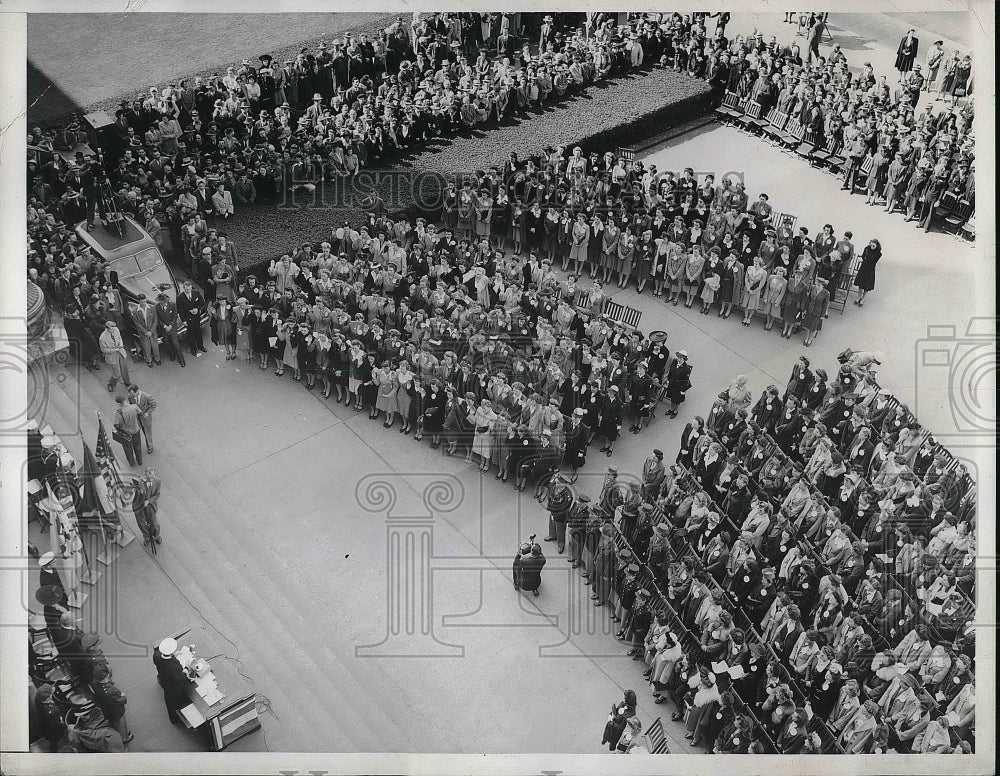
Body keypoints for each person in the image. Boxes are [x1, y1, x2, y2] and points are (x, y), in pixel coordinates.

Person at [152, 637, 188, 724]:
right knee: (174, 704)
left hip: (165, 681)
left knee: (170, 702)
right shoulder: (173, 667)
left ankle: (174, 717)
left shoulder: (156, 655)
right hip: (173, 689)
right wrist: (185, 672)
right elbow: (180, 680)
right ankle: (175, 719)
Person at [176, 279, 207, 357]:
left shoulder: (196, 293)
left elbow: (202, 302)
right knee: (191, 334)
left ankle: (200, 346)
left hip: (196, 317)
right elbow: (180, 310)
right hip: (188, 318)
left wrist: (197, 309)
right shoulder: (180, 297)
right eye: (186, 289)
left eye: (189, 289)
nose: (188, 291)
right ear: (183, 288)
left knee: (198, 332)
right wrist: (183, 320)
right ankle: (193, 349)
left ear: (191, 288)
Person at [154, 292, 186, 367]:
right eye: (163, 302)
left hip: (172, 327)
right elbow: (157, 319)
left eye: (165, 302)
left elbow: (175, 316)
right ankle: (172, 354)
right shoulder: (156, 307)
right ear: (159, 302)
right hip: (164, 328)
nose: (165, 304)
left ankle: (181, 359)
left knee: (175, 343)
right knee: (167, 342)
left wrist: (170, 326)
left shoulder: (172, 304)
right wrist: (165, 326)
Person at [98, 321, 131, 393]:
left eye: (114, 329)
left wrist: (121, 344)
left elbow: (119, 338)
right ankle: (111, 383)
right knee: (117, 374)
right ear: (107, 329)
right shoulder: (102, 338)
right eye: (111, 329)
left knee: (124, 368)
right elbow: (103, 349)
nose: (113, 331)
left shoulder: (116, 329)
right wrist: (115, 350)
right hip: (112, 356)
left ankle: (127, 382)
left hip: (120, 352)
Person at [130, 293, 160, 367]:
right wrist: (145, 332)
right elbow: (137, 324)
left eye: (144, 301)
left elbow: (155, 320)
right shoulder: (135, 311)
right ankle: (148, 360)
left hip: (152, 330)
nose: (143, 303)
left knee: (155, 346)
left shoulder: (152, 307)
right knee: (146, 347)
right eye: (142, 302)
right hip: (143, 332)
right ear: (139, 301)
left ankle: (157, 359)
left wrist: (152, 331)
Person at [113, 394, 143, 467]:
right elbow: (140, 413)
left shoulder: (118, 413)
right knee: (138, 447)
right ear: (125, 399)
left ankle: (131, 463)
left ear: (119, 403)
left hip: (126, 435)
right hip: (136, 430)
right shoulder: (134, 406)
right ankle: (139, 461)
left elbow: (116, 425)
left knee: (128, 450)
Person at [135, 466, 162, 546]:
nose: (150, 478)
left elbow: (157, 495)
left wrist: (149, 501)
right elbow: (136, 494)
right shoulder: (140, 482)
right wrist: (139, 491)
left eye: (152, 476)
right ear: (145, 475)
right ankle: (147, 538)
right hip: (140, 506)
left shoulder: (158, 481)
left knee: (155, 523)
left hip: (150, 505)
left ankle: (156, 536)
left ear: (155, 474)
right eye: (148, 476)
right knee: (142, 523)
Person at [128, 384, 157, 455]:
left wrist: (147, 413)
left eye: (132, 394)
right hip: (137, 417)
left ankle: (150, 446)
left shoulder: (147, 396)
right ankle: (136, 447)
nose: (131, 396)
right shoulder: (130, 396)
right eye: (130, 394)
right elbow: (131, 404)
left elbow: (154, 405)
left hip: (145, 418)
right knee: (135, 432)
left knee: (147, 432)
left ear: (136, 391)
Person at [853, 239, 881, 307]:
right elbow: (863, 256)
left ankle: (863, 299)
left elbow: (872, 261)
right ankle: (859, 297)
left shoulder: (878, 253)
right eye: (871, 245)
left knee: (866, 286)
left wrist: (865, 259)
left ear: (877, 246)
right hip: (863, 269)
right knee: (860, 284)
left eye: (873, 246)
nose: (872, 247)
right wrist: (864, 259)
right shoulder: (866, 248)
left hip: (870, 270)